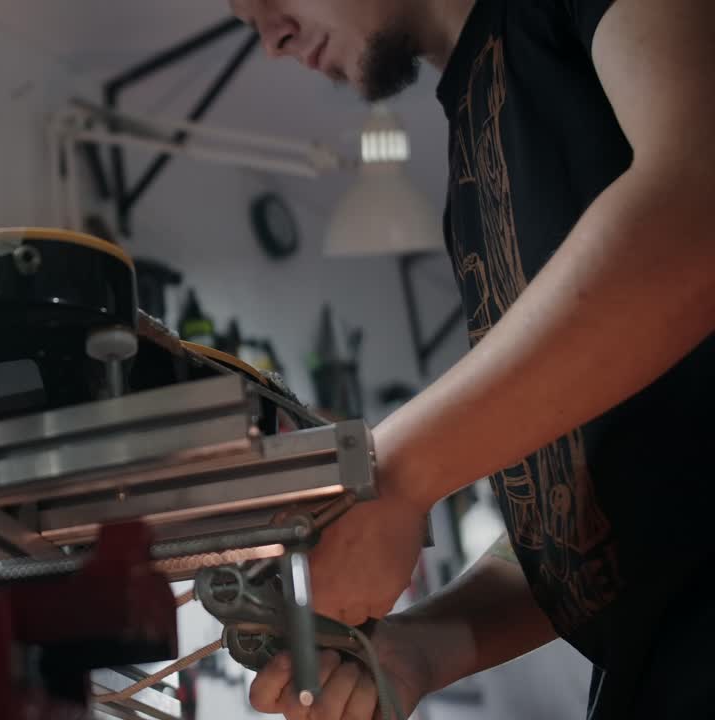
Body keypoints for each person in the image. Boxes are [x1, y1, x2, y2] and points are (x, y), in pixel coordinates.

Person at [224, 1, 715, 718]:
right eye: (246, 21)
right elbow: (598, 519)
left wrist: (397, 472)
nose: (272, 36)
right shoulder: (471, 166)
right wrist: (418, 650)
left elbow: (698, 206)